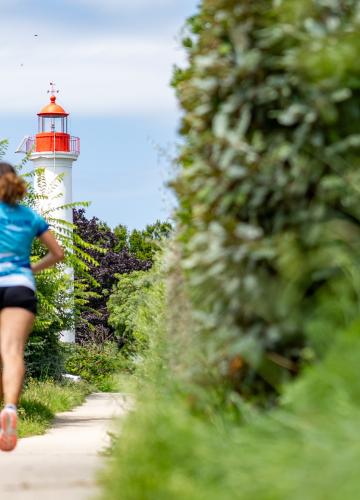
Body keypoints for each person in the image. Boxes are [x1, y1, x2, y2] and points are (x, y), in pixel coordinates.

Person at [0, 161, 64, 452]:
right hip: (20, 287)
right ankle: (10, 409)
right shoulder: (30, 217)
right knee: (12, 353)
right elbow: (58, 253)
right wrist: (31, 269)